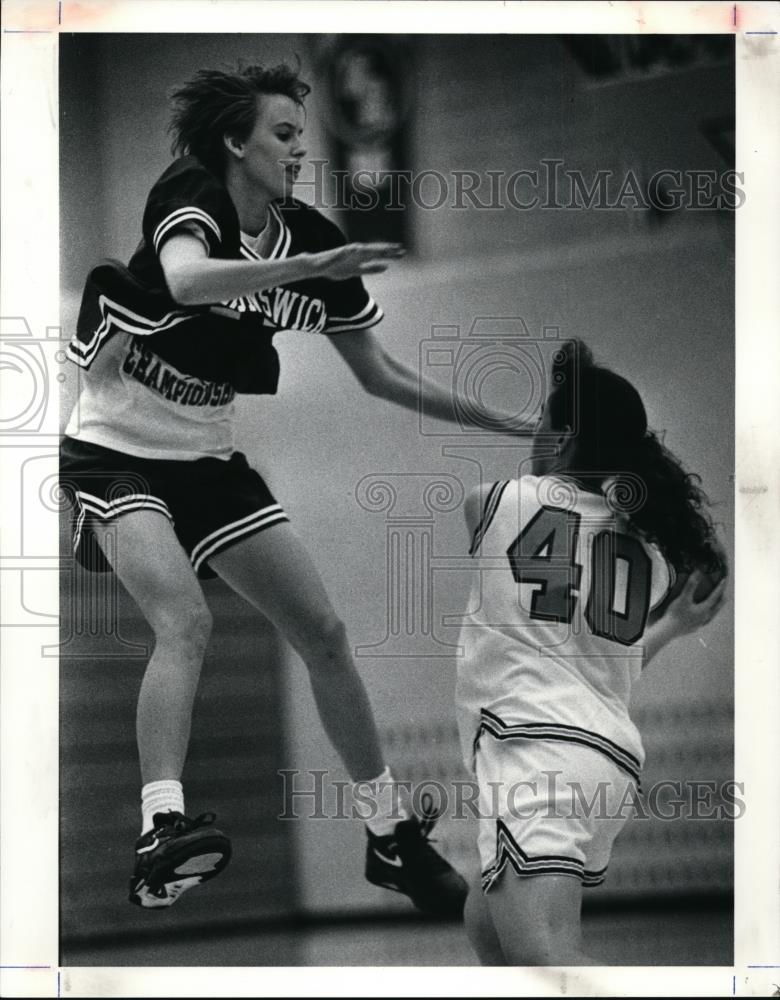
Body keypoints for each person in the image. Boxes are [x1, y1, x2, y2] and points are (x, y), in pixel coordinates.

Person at [60, 61, 528, 911]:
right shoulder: (190, 192)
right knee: (185, 621)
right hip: (113, 452)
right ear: (236, 141)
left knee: (323, 628)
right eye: (283, 136)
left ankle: (388, 836)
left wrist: (505, 422)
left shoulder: (309, 238)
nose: (299, 154)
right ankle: (159, 827)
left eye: (303, 141)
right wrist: (304, 268)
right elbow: (186, 281)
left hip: (204, 459)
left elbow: (383, 378)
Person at [456, 339, 728, 965]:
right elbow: (602, 670)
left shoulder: (493, 503)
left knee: (548, 961)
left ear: (565, 438)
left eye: (543, 427)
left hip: (537, 754)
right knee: (488, 927)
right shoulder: (649, 550)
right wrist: (674, 627)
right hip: (603, 762)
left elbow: (534, 491)